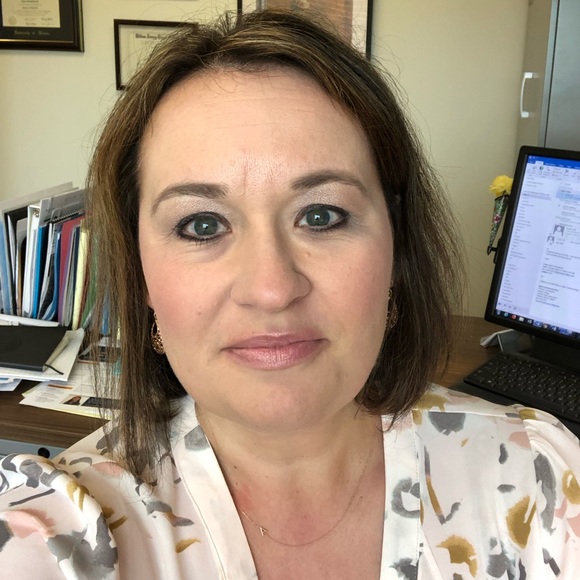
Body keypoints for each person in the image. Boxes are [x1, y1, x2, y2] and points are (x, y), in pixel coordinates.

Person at [1, 9, 579, 579]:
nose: (272, 289)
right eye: (202, 225)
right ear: (142, 271)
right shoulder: (59, 532)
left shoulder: (540, 477)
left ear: (396, 247)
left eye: (322, 215)